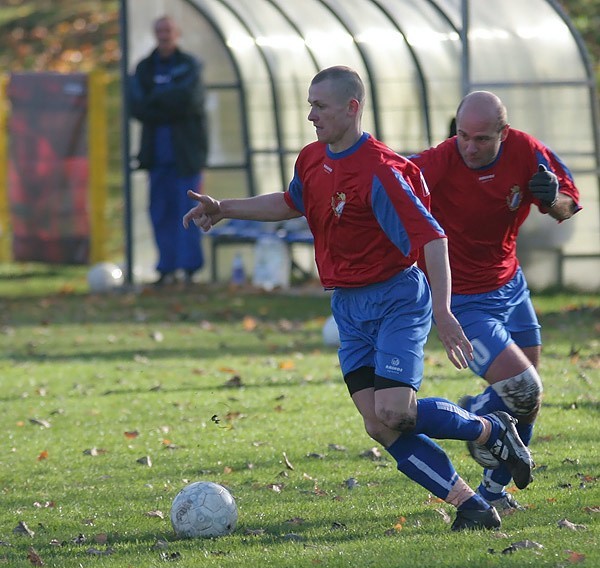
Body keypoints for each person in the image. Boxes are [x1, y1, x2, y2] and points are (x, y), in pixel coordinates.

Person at [182, 66, 534, 531]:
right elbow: (291, 203)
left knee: (395, 411)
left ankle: (491, 430)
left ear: (352, 107)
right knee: (380, 425)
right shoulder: (310, 159)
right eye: (309, 104)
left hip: (396, 300)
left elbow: (433, 239)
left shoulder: (381, 171)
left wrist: (445, 312)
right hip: (348, 307)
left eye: (320, 105)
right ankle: (471, 507)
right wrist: (223, 208)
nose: (311, 115)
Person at [410, 91, 581, 512]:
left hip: (510, 285)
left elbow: (567, 206)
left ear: (504, 133)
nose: (470, 146)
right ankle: (478, 416)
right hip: (462, 296)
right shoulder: (437, 162)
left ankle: (493, 494)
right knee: (521, 388)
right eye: (463, 135)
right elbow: (386, 189)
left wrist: (550, 196)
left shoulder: (526, 151)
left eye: (482, 139)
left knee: (528, 399)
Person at [129, 15, 208, 285]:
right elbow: (137, 106)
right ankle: (166, 268)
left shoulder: (189, 66)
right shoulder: (144, 67)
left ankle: (189, 269)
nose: (164, 35)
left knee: (189, 210)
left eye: (168, 30)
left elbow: (190, 101)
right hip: (157, 157)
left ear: (177, 33)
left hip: (186, 156)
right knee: (160, 211)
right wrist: (169, 98)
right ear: (155, 33)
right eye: (159, 30)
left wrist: (157, 100)